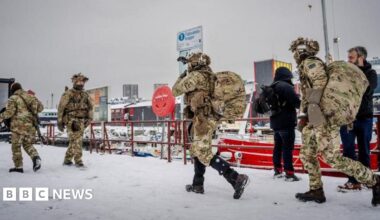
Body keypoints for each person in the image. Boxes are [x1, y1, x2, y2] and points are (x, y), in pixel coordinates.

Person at [289, 37, 380, 206]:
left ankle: (374, 181)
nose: (295, 53)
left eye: (296, 50)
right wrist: (307, 114)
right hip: (316, 114)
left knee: (332, 157)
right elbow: (309, 92)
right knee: (307, 154)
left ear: (301, 51)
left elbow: (320, 82)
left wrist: (313, 112)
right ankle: (316, 190)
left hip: (322, 115)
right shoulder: (305, 65)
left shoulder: (310, 62)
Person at [172, 52, 249, 199]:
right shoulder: (210, 76)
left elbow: (175, 90)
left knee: (202, 152)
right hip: (208, 117)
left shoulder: (195, 76)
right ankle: (197, 184)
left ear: (193, 64)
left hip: (203, 119)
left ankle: (235, 178)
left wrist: (183, 75)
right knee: (197, 150)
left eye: (190, 63)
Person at [338, 46, 378, 191]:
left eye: (351, 58)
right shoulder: (346, 74)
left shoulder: (371, 73)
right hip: (347, 119)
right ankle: (353, 181)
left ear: (361, 58)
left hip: (364, 118)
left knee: (364, 150)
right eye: (348, 57)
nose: (348, 60)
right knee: (348, 151)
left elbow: (368, 89)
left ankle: (367, 180)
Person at [0, 82, 43, 173]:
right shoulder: (31, 96)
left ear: (13, 90)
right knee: (27, 144)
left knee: (16, 146)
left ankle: (18, 167)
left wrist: (1, 116)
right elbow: (40, 108)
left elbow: (9, 113)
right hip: (31, 127)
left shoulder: (13, 98)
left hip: (18, 127)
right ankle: (36, 157)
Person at [270, 67, 301, 181]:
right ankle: (289, 173)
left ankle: (277, 171)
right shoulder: (286, 87)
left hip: (275, 123)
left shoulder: (273, 86)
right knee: (287, 148)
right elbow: (297, 103)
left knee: (277, 147)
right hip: (286, 122)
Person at [58, 73, 93, 168]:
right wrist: (60, 122)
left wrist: (89, 118)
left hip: (82, 121)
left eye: (82, 81)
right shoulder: (68, 93)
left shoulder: (85, 95)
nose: (80, 83)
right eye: (78, 81)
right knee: (76, 140)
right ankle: (78, 160)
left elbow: (90, 107)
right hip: (71, 120)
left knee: (76, 140)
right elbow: (61, 108)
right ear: (74, 81)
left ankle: (67, 160)